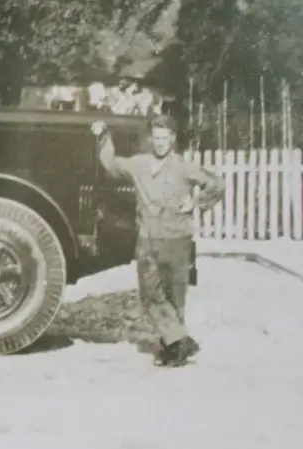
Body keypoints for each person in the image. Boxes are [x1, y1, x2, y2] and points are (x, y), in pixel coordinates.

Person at [91, 114, 225, 368]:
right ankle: (180, 340)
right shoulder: (139, 164)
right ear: (151, 139)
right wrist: (104, 135)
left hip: (177, 239)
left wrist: (197, 202)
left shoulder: (184, 167)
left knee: (175, 296)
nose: (161, 143)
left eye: (165, 138)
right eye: (157, 138)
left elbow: (217, 184)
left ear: (172, 139)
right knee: (150, 293)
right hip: (148, 239)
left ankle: (173, 348)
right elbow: (110, 164)